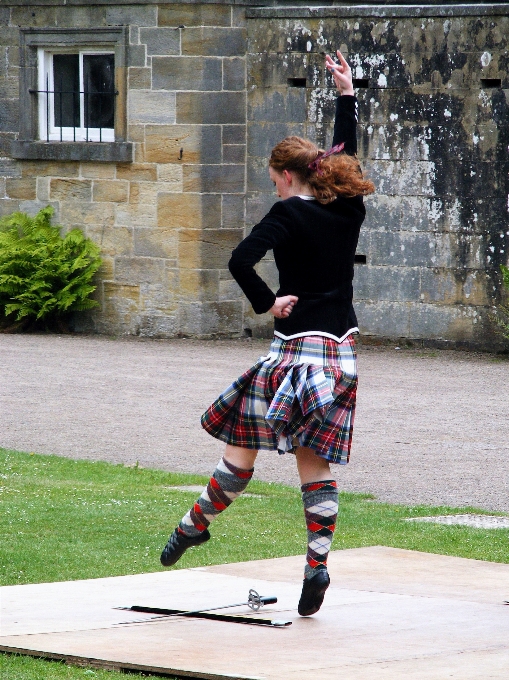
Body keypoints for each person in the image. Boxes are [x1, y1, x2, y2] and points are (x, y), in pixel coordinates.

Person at [160, 50, 374, 617]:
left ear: (284, 175)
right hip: (341, 359)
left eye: (275, 177)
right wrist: (346, 94)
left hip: (291, 356)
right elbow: (345, 155)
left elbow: (238, 261)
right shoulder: (347, 208)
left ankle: (194, 525)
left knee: (240, 458)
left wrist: (268, 302)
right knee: (314, 466)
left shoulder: (285, 216)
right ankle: (318, 565)